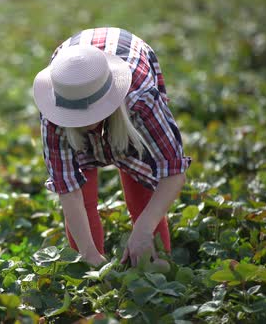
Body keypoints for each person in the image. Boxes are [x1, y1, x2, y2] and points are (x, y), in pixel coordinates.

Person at [32, 27, 191, 267]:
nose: (79, 121)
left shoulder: (141, 101)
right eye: (73, 116)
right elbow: (69, 191)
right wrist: (89, 255)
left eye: (86, 115)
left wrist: (144, 228)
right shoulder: (55, 114)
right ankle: (90, 267)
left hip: (129, 68)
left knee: (141, 184)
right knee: (83, 202)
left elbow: (173, 171)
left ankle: (154, 262)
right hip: (74, 67)